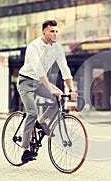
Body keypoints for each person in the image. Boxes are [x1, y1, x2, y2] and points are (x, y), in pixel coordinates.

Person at [17, 19, 77, 162]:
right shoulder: (34, 47)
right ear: (44, 32)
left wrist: (71, 89)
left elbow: (65, 69)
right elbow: (38, 71)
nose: (55, 34)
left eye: (56, 31)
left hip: (40, 83)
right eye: (52, 31)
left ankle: (41, 122)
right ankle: (25, 149)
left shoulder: (58, 48)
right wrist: (51, 89)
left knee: (58, 99)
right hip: (26, 81)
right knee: (32, 112)